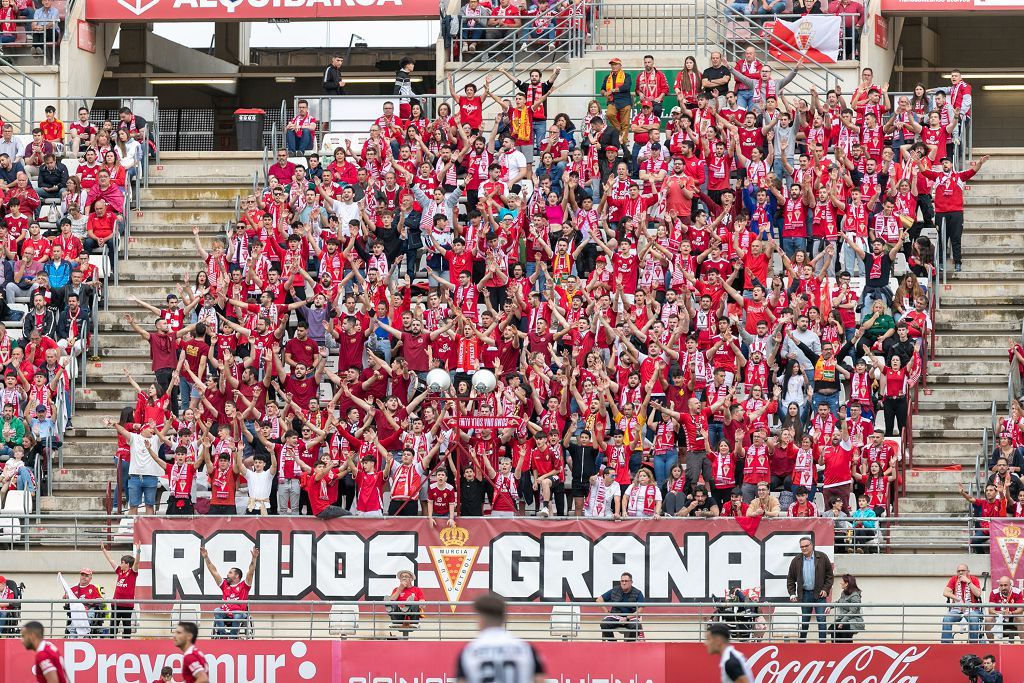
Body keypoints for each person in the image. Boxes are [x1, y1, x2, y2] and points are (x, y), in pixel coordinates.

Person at [455, 593, 544, 683]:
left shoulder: (470, 651)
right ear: (505, 618)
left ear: (480, 620)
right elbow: (540, 680)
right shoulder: (525, 648)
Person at [200, 546, 258, 638]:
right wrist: (206, 557)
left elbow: (251, 572)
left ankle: (232, 638)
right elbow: (213, 571)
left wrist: (254, 558)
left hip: (239, 614)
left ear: (237, 576)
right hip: (225, 612)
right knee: (217, 611)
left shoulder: (244, 586)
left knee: (238, 615)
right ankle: (223, 636)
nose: (227, 574)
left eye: (230, 573)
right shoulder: (224, 585)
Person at [786, 536, 834, 643]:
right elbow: (790, 579)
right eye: (802, 547)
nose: (804, 548)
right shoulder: (796, 560)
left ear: (812, 545)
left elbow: (829, 576)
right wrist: (792, 593)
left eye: (806, 546)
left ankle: (822, 644)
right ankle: (802, 644)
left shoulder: (822, 557)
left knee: (821, 620)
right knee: (804, 621)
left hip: (820, 595)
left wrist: (826, 589)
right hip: (804, 595)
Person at [100, 543, 139, 639]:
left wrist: (138, 551)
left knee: (127, 625)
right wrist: (103, 550)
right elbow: (111, 560)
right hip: (116, 603)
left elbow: (137, 563)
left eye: (122, 562)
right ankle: (113, 642)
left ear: (127, 564)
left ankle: (125, 643)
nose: (120, 564)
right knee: (113, 624)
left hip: (127, 605)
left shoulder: (132, 573)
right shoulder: (119, 571)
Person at [596, 572, 644, 641]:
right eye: (622, 581)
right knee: (604, 624)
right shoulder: (615, 590)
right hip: (615, 616)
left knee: (636, 626)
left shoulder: (638, 592)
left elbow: (640, 610)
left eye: (626, 581)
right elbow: (599, 600)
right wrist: (607, 612)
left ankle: (629, 645)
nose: (624, 583)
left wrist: (627, 618)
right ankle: (613, 644)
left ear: (631, 582)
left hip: (630, 618)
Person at [941, 563, 983, 643]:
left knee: (974, 619)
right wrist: (958, 599)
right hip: (957, 609)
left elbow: (978, 594)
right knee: (947, 618)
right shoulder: (954, 579)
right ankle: (946, 644)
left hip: (972, 609)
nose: (960, 573)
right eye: (958, 571)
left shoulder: (973, 579)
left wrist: (968, 582)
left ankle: (973, 644)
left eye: (963, 571)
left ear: (968, 572)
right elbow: (945, 592)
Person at [386, 569, 424, 638]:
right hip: (399, 617)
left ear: (411, 579)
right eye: (402, 577)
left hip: (412, 618)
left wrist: (421, 603)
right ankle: (391, 610)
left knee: (414, 602)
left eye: (406, 576)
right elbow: (392, 599)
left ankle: (407, 607)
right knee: (391, 601)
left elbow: (422, 603)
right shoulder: (396, 589)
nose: (404, 578)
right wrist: (400, 589)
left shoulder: (417, 590)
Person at [985, 575, 1022, 643]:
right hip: (999, 618)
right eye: (1001, 585)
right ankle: (991, 645)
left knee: (1021, 618)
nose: (1003, 587)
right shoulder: (994, 592)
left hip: (1013, 618)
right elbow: (991, 610)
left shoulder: (1017, 592)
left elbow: (1020, 609)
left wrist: (1011, 613)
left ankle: (1023, 644)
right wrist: (1001, 613)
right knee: (988, 619)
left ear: (1010, 585)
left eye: (1005, 585)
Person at [827, 574, 863, 642]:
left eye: (842, 581)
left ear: (846, 584)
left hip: (853, 621)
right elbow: (839, 602)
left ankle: (846, 650)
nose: (840, 582)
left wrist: (843, 621)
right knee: (834, 628)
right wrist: (830, 606)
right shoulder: (844, 593)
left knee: (844, 629)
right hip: (845, 620)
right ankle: (835, 649)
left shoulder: (855, 595)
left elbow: (853, 611)